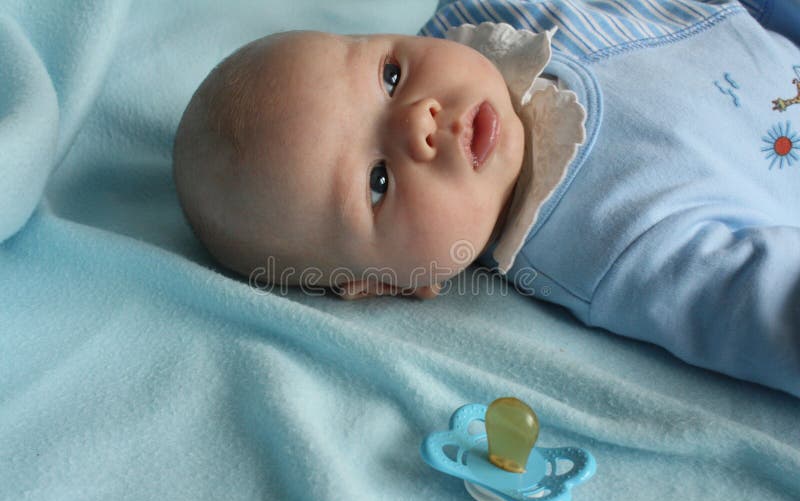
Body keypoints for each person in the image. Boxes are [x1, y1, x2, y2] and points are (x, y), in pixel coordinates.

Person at [172, 0, 800, 396]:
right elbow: (764, 307)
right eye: (378, 183)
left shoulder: (471, 20)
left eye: (390, 76)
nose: (419, 119)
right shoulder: (604, 243)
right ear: (393, 283)